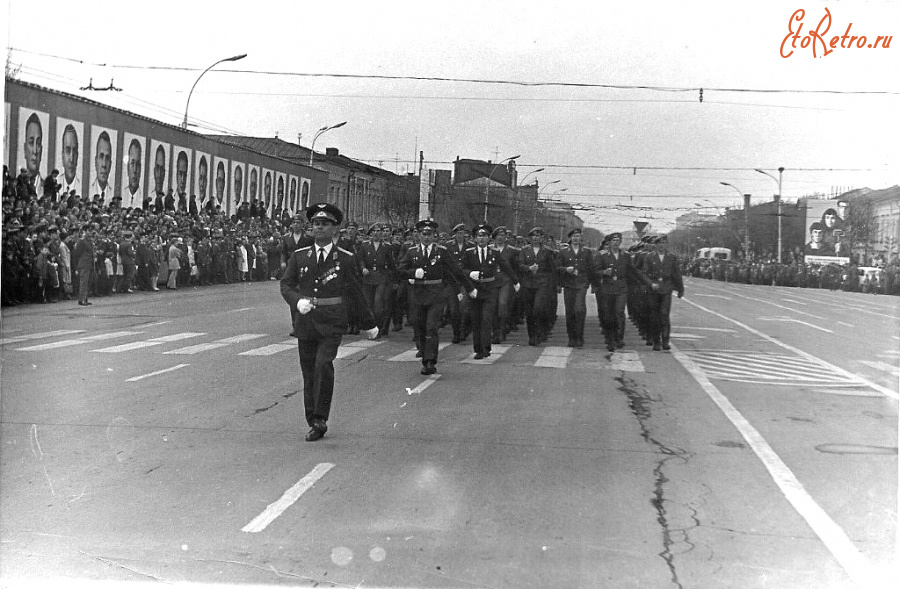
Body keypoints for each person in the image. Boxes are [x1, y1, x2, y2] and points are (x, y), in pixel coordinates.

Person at [280, 202, 378, 442]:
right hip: (305, 322)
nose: (319, 228)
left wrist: (369, 323)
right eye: (316, 224)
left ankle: (321, 418)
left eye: (325, 224)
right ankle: (312, 419)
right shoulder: (300, 256)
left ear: (335, 229)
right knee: (309, 373)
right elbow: (286, 284)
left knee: (323, 366)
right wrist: (296, 301)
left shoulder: (345, 259)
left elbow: (355, 293)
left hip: (332, 321)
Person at [397, 219, 476, 375]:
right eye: (423, 234)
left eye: (430, 234)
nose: (426, 237)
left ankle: (430, 362)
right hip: (418, 294)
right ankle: (424, 355)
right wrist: (412, 273)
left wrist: (469, 287)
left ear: (434, 236)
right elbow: (399, 270)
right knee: (419, 327)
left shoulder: (441, 251)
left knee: (431, 328)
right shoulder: (412, 251)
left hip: (436, 294)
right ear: (419, 235)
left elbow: (455, 270)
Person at [462, 223, 519, 359]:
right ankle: (478, 348)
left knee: (487, 318)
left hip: (489, 289)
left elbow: (506, 267)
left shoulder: (494, 253)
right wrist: (470, 273)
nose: (482, 239)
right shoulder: (469, 253)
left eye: (485, 236)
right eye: (479, 236)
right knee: (476, 319)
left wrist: (515, 281)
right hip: (475, 289)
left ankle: (485, 347)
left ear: (489, 238)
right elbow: (461, 269)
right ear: (475, 238)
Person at [636, 235, 684, 351]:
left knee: (664, 314)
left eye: (663, 243)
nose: (661, 245)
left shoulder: (671, 257)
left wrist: (680, 289)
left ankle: (665, 340)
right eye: (659, 243)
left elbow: (676, 274)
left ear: (666, 244)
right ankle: (656, 341)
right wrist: (650, 283)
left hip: (666, 289)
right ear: (656, 245)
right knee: (654, 316)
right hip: (654, 289)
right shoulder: (649, 257)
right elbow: (643, 273)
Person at [592, 232, 633, 351]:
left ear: (620, 242)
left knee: (619, 312)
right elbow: (595, 270)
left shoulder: (625, 255)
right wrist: (603, 272)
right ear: (609, 243)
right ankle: (610, 339)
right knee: (609, 314)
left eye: (618, 240)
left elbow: (632, 271)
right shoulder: (602, 255)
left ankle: (619, 338)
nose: (615, 243)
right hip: (607, 288)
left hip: (621, 287)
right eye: (613, 241)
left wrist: (646, 283)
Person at [358, 222, 398, 338]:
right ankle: (371, 328)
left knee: (378, 305)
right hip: (368, 277)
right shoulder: (365, 245)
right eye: (374, 231)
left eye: (378, 231)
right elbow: (360, 259)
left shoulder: (387, 247)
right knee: (368, 305)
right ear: (370, 234)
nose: (376, 233)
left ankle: (379, 328)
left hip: (381, 277)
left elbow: (392, 264)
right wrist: (363, 268)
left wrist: (395, 280)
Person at [519, 226, 556, 346]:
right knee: (529, 312)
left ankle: (541, 332)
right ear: (530, 238)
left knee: (538, 309)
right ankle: (532, 335)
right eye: (533, 236)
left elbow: (552, 269)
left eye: (538, 236)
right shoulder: (524, 250)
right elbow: (520, 265)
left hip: (542, 284)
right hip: (528, 284)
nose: (535, 238)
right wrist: (528, 268)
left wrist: (552, 285)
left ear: (542, 238)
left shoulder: (547, 251)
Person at [556, 228, 593, 348]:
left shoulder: (586, 252)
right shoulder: (563, 251)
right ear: (570, 238)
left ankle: (579, 336)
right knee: (570, 311)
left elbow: (590, 268)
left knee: (579, 309)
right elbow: (557, 267)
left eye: (578, 236)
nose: (576, 238)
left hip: (581, 284)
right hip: (569, 284)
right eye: (574, 236)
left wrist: (592, 284)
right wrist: (566, 269)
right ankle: (571, 337)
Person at [73, 225, 96, 306]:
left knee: (88, 282)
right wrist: (77, 266)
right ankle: (81, 299)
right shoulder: (82, 241)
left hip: (90, 264)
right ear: (85, 231)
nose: (90, 232)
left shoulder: (90, 241)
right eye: (89, 231)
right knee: (84, 283)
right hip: (84, 264)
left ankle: (85, 298)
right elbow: (77, 254)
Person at [22, 113, 44, 197]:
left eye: (38, 144)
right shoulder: (21, 183)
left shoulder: (44, 184)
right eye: (31, 143)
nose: (35, 151)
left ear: (41, 150)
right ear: (24, 149)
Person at [59, 124, 81, 196]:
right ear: (62, 156)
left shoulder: (80, 184)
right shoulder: (57, 181)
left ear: (77, 156)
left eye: (74, 151)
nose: (71, 159)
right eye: (68, 151)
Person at [91, 131, 113, 200]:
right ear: (95, 161)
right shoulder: (90, 188)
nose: (104, 164)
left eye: (107, 158)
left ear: (110, 164)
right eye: (101, 157)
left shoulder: (111, 192)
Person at [125, 139, 143, 209]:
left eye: (138, 164)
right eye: (132, 163)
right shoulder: (124, 193)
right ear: (127, 166)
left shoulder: (141, 195)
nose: (135, 170)